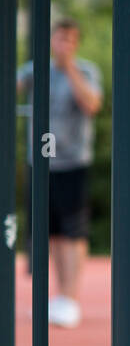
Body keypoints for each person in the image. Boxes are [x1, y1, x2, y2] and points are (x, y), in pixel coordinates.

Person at [16, 17, 103, 329]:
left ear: (76, 43)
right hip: (40, 162)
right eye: (59, 39)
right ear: (52, 41)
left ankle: (71, 297)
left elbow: (92, 104)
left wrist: (70, 70)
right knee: (51, 233)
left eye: (70, 40)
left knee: (73, 232)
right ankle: (60, 296)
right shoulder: (35, 69)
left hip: (72, 162)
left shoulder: (87, 71)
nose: (64, 45)